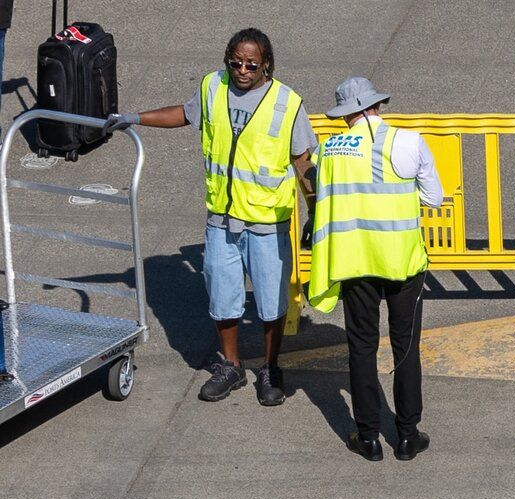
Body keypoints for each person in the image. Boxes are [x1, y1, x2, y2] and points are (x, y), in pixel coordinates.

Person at [125, 29, 315, 406]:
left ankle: (270, 368)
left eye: (251, 65)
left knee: (270, 303)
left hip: (267, 223)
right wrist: (132, 118)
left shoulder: (287, 103)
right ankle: (230, 366)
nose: (242, 70)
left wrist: (315, 210)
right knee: (223, 297)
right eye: (235, 62)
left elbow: (302, 162)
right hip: (221, 220)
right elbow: (183, 113)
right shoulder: (213, 86)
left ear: (267, 66)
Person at [305, 77, 443, 462]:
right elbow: (434, 198)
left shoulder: (328, 150)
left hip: (354, 261)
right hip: (402, 261)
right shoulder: (409, 141)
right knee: (405, 347)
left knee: (361, 349)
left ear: (345, 113)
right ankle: (406, 435)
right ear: (376, 106)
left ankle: (366, 437)